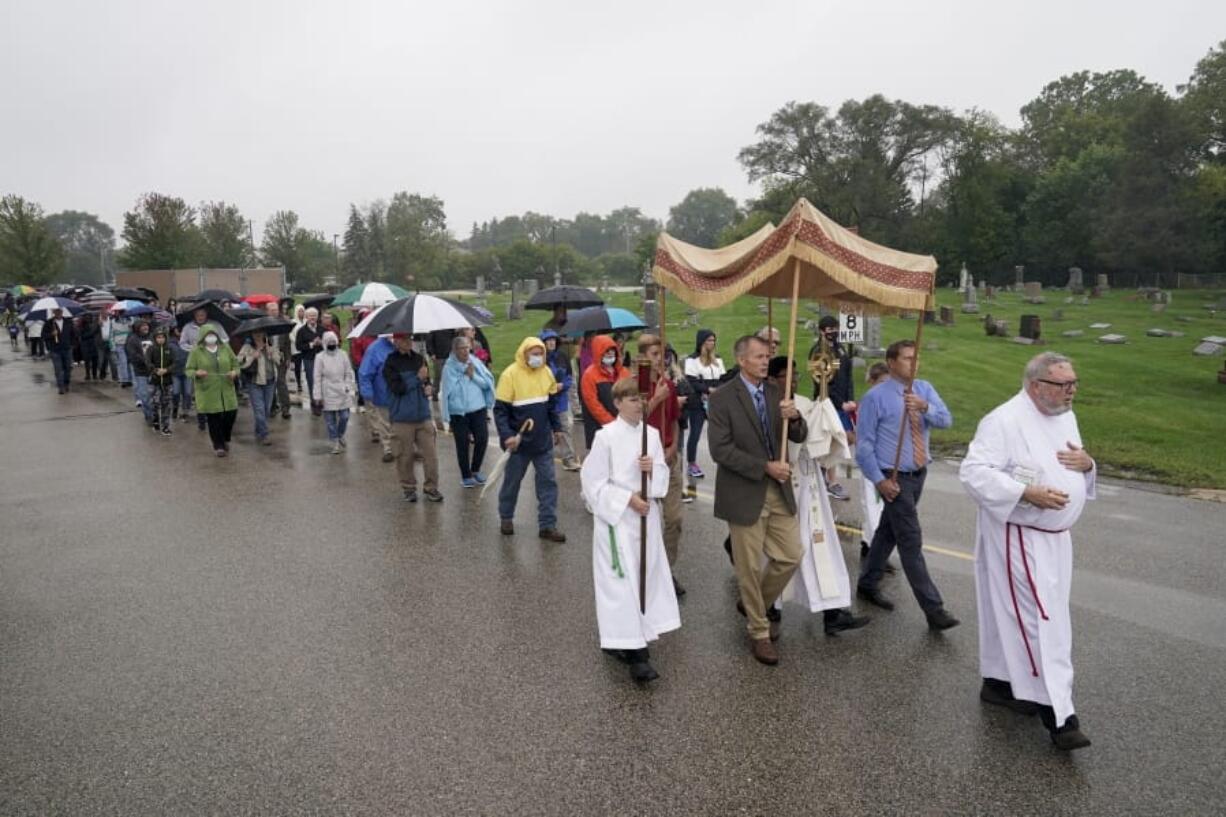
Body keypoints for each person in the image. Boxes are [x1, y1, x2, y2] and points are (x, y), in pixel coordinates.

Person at [959, 352, 1096, 751]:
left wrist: (1088, 465)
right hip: (1021, 532)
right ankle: (1058, 713)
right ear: (1036, 385)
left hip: (1057, 538)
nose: (1071, 390)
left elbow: (1074, 463)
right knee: (1040, 619)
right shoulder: (1003, 420)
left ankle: (1000, 682)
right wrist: (1025, 493)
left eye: (1074, 382)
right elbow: (974, 472)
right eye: (1062, 384)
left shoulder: (1063, 413)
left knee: (1029, 612)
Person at [707, 335, 807, 665]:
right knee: (748, 568)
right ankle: (759, 631)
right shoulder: (722, 398)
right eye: (759, 356)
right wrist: (765, 466)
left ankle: (754, 604)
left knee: (791, 555)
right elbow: (720, 450)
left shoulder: (777, 392)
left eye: (768, 355)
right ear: (741, 360)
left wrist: (794, 417)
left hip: (778, 491)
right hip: (744, 490)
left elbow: (798, 435)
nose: (766, 361)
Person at [580, 378, 681, 683]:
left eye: (641, 399)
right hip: (618, 520)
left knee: (644, 577)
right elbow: (592, 482)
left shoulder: (650, 435)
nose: (639, 404)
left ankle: (626, 637)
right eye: (632, 399)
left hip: (645, 517)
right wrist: (626, 499)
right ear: (618, 404)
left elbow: (662, 474)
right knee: (620, 582)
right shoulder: (606, 437)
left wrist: (654, 470)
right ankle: (638, 656)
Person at [854, 340, 959, 631]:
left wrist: (924, 408)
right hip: (894, 476)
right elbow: (863, 447)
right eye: (908, 358)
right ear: (891, 362)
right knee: (910, 540)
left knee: (889, 530)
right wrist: (880, 480)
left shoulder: (924, 389)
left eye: (917, 358)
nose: (915, 363)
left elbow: (946, 421)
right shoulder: (875, 398)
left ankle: (867, 581)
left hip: (919, 473)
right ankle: (934, 609)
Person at [766, 356, 871, 636]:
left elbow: (819, 446)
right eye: (784, 375)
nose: (793, 379)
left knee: (820, 547)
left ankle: (832, 611)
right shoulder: (764, 403)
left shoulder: (802, 403)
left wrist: (828, 427)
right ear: (772, 378)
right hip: (785, 486)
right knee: (781, 551)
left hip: (811, 486)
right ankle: (768, 606)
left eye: (795, 374)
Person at [493, 337, 565, 542]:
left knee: (548, 483)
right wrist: (507, 436)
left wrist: (557, 428)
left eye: (540, 353)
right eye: (534, 353)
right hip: (519, 443)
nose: (538, 357)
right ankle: (506, 516)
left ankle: (547, 525)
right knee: (512, 482)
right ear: (524, 354)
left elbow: (551, 406)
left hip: (543, 442)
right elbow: (500, 411)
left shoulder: (547, 373)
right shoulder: (510, 375)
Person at [637, 334, 686, 596]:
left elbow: (675, 419)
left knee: (674, 519)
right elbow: (633, 422)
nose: (660, 360)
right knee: (645, 521)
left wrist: (673, 446)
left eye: (663, 355)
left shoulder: (669, 384)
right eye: (655, 355)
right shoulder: (635, 386)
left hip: (668, 459)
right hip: (644, 462)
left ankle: (667, 569)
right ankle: (646, 571)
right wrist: (656, 398)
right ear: (643, 356)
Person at [384, 334, 442, 502]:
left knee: (431, 456)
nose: (408, 342)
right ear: (396, 342)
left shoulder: (419, 359)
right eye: (403, 339)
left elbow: (426, 382)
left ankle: (431, 488)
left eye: (409, 338)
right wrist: (417, 379)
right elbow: (397, 388)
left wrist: (428, 387)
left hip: (423, 415)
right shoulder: (390, 362)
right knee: (404, 456)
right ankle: (408, 488)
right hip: (402, 417)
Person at [810, 316, 856, 501]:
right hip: (827, 403)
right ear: (822, 331)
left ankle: (823, 472)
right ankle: (831, 481)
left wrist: (850, 399)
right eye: (829, 329)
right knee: (831, 440)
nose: (833, 332)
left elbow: (847, 376)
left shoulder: (841, 349)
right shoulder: (818, 352)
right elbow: (823, 382)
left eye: (835, 328)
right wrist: (840, 402)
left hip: (844, 404)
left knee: (844, 439)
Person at [441, 335, 496, 487]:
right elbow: (447, 391)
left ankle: (476, 470)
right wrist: (462, 375)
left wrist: (473, 376)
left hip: (478, 408)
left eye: (467, 347)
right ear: (454, 350)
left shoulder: (476, 363)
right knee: (462, 444)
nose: (466, 351)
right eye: (462, 348)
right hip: (459, 413)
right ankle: (466, 475)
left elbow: (487, 384)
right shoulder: (449, 368)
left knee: (482, 439)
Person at [857, 362, 895, 573]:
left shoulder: (890, 402)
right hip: (872, 462)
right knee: (872, 505)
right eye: (881, 382)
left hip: (888, 462)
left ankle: (867, 540)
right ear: (871, 382)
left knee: (881, 506)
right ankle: (876, 550)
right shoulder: (869, 403)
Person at [186, 323, 240, 457]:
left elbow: (236, 364)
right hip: (208, 390)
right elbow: (188, 370)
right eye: (208, 335)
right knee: (214, 418)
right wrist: (197, 373)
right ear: (203, 337)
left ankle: (225, 437)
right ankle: (218, 445)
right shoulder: (196, 351)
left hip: (226, 388)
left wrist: (234, 372)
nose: (211, 337)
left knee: (230, 414)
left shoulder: (225, 348)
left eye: (213, 335)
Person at [683, 329, 725, 480]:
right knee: (695, 433)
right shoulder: (692, 360)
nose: (712, 343)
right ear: (701, 342)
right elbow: (692, 381)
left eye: (713, 340)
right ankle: (692, 463)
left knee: (720, 433)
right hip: (698, 401)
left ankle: (723, 460)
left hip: (715, 400)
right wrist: (707, 389)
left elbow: (722, 378)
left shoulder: (718, 359)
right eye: (709, 340)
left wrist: (718, 389)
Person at [579, 335, 627, 450]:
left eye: (612, 350)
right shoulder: (589, 375)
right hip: (599, 429)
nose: (610, 353)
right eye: (606, 351)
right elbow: (593, 404)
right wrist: (612, 423)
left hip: (624, 426)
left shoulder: (624, 372)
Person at [540, 330, 580, 471]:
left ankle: (568, 459)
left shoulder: (562, 356)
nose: (551, 342)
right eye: (548, 340)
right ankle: (543, 460)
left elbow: (569, 376)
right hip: (545, 402)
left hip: (561, 400)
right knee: (545, 431)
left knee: (565, 429)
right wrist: (551, 387)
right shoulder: (540, 360)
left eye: (553, 340)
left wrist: (563, 385)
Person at [313, 330, 355, 454]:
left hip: (342, 390)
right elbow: (317, 377)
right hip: (327, 391)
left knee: (345, 416)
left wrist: (348, 386)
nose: (332, 343)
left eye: (333, 341)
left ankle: (340, 434)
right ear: (325, 343)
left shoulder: (343, 354)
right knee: (330, 420)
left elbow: (348, 372)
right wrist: (317, 395)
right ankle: (334, 440)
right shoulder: (319, 357)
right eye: (329, 342)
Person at [237, 330, 281, 446]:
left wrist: (272, 354)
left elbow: (279, 361)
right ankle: (264, 435)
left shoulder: (270, 345)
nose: (258, 335)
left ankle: (258, 430)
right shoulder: (247, 347)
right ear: (251, 334)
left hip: (270, 381)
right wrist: (252, 356)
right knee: (259, 410)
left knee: (266, 409)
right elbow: (239, 362)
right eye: (255, 333)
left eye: (261, 332)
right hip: (254, 382)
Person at [357, 335, 396, 463]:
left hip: (402, 393)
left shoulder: (405, 344)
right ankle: (388, 448)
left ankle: (408, 447)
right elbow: (365, 372)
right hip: (383, 392)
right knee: (384, 422)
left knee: (405, 422)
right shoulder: (374, 349)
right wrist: (367, 393)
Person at [144, 325, 175, 436]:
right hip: (154, 381)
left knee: (166, 404)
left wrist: (167, 370)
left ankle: (166, 426)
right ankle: (155, 421)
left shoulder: (170, 349)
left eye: (162, 337)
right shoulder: (151, 349)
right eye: (158, 337)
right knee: (154, 403)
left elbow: (174, 363)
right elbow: (148, 362)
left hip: (167, 381)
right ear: (155, 338)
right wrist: (155, 370)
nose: (160, 339)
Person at [125, 320, 155, 424]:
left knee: (154, 395)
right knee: (144, 395)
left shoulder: (153, 337)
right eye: (142, 326)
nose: (145, 327)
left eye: (146, 325)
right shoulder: (133, 339)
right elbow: (132, 354)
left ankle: (154, 414)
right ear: (138, 328)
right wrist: (145, 360)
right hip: (140, 371)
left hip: (153, 370)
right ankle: (148, 415)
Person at [268, 299, 293, 419]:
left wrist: (288, 358)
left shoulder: (283, 324)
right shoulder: (264, 325)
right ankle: (272, 407)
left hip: (281, 357)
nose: (274, 312)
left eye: (276, 310)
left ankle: (285, 408)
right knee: (270, 382)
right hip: (268, 357)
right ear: (268, 311)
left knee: (281, 383)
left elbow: (288, 343)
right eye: (272, 310)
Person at [41, 307, 77, 394]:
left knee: (68, 368)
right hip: (55, 350)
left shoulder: (68, 322)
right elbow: (43, 336)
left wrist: (72, 345)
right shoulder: (49, 323)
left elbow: (74, 334)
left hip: (67, 349)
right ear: (54, 312)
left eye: (59, 311)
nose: (58, 313)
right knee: (58, 369)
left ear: (62, 312)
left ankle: (66, 383)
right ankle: (61, 387)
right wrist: (51, 334)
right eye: (56, 311)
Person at [295, 307, 324, 402]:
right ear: (306, 317)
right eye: (310, 316)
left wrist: (322, 343)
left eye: (314, 315)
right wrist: (311, 344)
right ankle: (314, 401)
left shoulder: (322, 329)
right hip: (309, 359)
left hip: (322, 359)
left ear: (317, 317)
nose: (312, 317)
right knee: (312, 380)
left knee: (322, 380)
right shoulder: (301, 331)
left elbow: (329, 343)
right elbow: (298, 346)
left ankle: (321, 399)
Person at [289, 304, 307, 392]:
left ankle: (306, 379)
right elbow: (290, 334)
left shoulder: (306, 322)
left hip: (305, 346)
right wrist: (296, 341)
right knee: (298, 366)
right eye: (299, 311)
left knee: (306, 364)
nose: (301, 313)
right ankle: (299, 382)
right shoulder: (293, 322)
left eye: (302, 311)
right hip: (296, 347)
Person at [78, 313, 101, 382]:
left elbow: (97, 332)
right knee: (87, 361)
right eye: (87, 317)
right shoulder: (81, 326)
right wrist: (94, 332)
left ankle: (94, 375)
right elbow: (83, 336)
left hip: (93, 345)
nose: (88, 318)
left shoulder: (93, 324)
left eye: (90, 317)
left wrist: (97, 327)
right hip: (86, 345)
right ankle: (88, 374)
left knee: (95, 360)